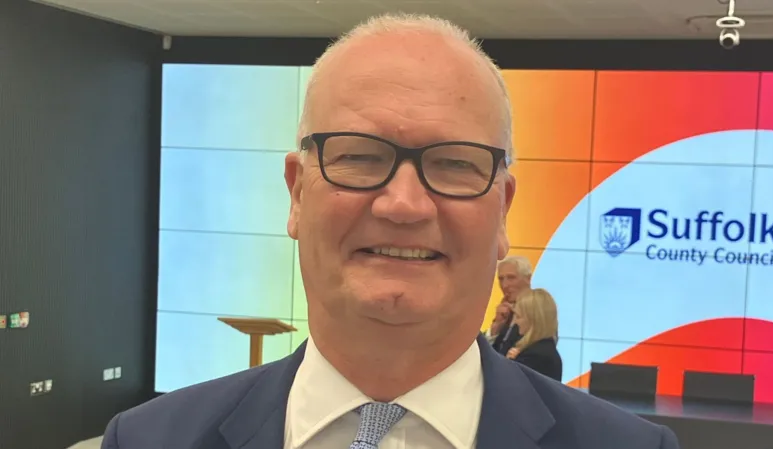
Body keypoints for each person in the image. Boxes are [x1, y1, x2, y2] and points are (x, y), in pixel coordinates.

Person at [100, 13, 681, 449]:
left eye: (454, 163)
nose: (403, 205)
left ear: (503, 209)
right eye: (358, 156)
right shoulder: (147, 440)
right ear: (297, 194)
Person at [506, 288, 563, 382]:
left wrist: (509, 363)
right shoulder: (545, 350)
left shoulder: (535, 356)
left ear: (533, 320)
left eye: (518, 317)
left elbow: (509, 384)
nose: (515, 322)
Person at [491, 256, 533, 355]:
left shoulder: (539, 309)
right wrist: (496, 328)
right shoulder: (505, 313)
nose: (504, 285)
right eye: (501, 279)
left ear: (528, 278)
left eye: (511, 278)